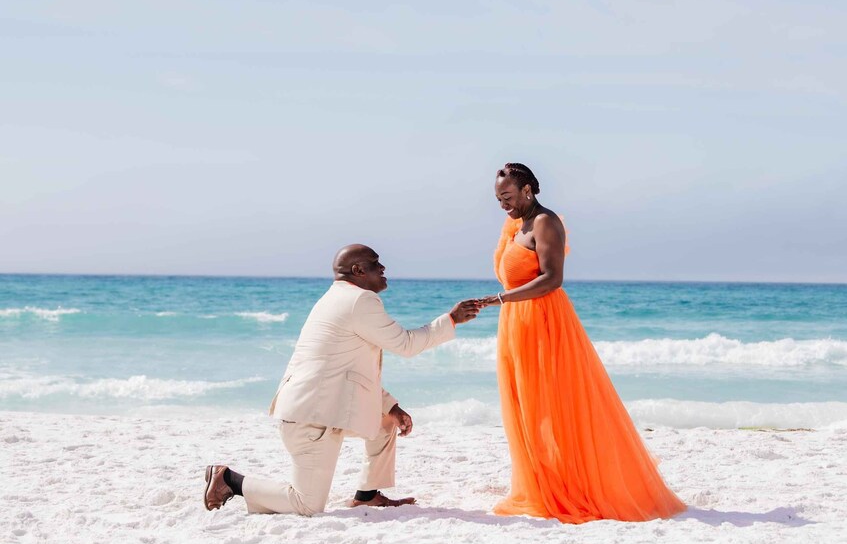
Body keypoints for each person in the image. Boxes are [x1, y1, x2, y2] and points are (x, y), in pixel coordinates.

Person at [475, 163, 686, 523]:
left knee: (550, 407)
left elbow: (552, 279)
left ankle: (569, 486)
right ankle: (542, 483)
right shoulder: (516, 225)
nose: (502, 205)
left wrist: (500, 299)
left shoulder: (545, 222)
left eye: (507, 196)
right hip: (515, 324)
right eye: (498, 199)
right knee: (526, 408)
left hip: (542, 323)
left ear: (527, 190)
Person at [204, 244, 480, 515]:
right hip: (313, 418)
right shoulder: (360, 300)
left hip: (313, 407)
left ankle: (367, 496)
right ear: (358, 270)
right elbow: (406, 344)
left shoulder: (334, 298)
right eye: (376, 263)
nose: (383, 268)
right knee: (306, 505)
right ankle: (229, 480)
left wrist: (391, 407)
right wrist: (451, 319)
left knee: (385, 420)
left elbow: (344, 370)